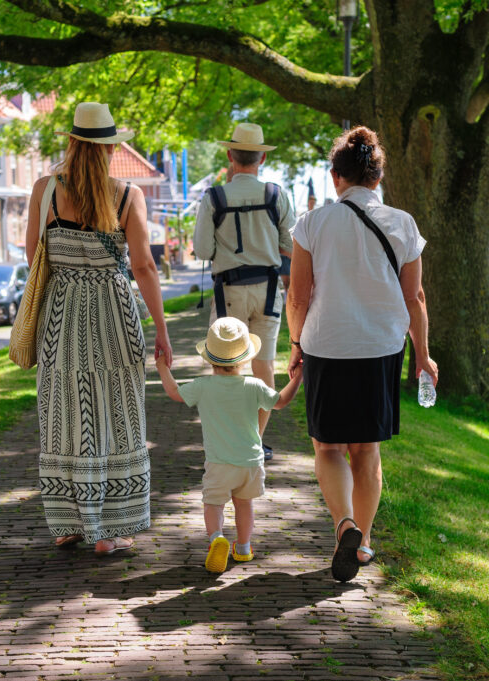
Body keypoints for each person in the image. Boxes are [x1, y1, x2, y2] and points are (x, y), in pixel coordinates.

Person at [286, 126, 438, 583]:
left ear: (336, 177)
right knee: (365, 451)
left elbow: (297, 296)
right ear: (378, 177)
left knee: (328, 446)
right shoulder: (403, 223)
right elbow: (417, 300)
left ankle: (344, 525)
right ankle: (363, 543)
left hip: (327, 346)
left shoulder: (311, 223)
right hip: (380, 348)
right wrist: (423, 355)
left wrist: (296, 345)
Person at [26, 102, 173, 556]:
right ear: (110, 147)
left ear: (71, 141)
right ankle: (110, 530)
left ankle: (69, 522)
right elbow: (145, 267)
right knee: (119, 413)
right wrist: (162, 330)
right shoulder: (128, 195)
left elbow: (34, 257)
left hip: (61, 315)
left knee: (64, 414)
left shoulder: (45, 190)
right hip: (113, 311)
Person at [155, 317, 301, 573]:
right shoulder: (254, 385)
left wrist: (162, 368)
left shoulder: (203, 387)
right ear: (245, 358)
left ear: (208, 357)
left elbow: (174, 392)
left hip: (219, 462)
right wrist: (298, 377)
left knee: (213, 504)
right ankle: (243, 548)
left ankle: (217, 539)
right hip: (251, 463)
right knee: (244, 504)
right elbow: (280, 402)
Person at [193, 122, 295, 462]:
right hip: (268, 291)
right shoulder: (276, 195)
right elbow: (288, 246)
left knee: (225, 365)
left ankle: (225, 443)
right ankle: (256, 441)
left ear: (229, 155)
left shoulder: (214, 198)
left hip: (229, 292)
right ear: (263, 157)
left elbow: (203, 250)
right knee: (264, 366)